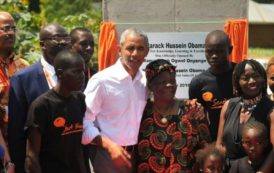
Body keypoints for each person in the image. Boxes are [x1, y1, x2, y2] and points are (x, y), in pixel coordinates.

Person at [82, 28, 149, 173]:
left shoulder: (146, 81)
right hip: (106, 154)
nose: (135, 54)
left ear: (147, 52)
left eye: (140, 49)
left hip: (137, 154)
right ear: (120, 50)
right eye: (130, 48)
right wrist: (110, 147)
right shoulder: (102, 80)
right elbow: (84, 122)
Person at [8, 23, 70, 173]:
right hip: (39, 163)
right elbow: (16, 131)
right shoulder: (23, 79)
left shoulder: (75, 74)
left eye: (65, 38)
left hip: (69, 161)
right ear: (42, 45)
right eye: (56, 38)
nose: (62, 42)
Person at [136, 59, 211, 173]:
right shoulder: (140, 113)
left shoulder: (192, 110)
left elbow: (206, 150)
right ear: (150, 85)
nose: (169, 85)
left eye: (172, 80)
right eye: (163, 81)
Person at [25, 50, 88, 173]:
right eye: (76, 72)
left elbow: (79, 147)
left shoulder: (80, 99)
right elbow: (31, 156)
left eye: (83, 71)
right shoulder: (42, 106)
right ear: (60, 74)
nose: (82, 76)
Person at [216, 59, 274, 172]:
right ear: (237, 82)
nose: (251, 81)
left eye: (256, 76)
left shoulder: (271, 109)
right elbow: (220, 144)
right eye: (245, 78)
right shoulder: (228, 105)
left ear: (263, 79)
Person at [189, 30, 235, 141]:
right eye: (209, 51)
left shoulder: (240, 75)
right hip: (214, 141)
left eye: (219, 51)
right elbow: (197, 118)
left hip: (242, 142)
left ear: (230, 50)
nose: (214, 56)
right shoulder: (198, 83)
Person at [0, 11, 29, 173]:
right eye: (5, 29)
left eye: (13, 28)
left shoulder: (23, 66)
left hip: (20, 143)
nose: (10, 32)